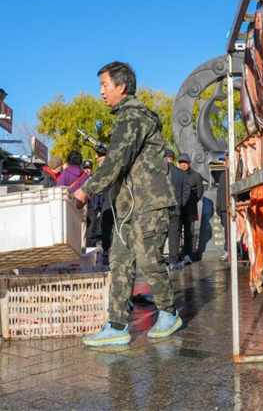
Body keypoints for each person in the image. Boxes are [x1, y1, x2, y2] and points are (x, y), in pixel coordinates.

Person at [73, 61, 182, 346]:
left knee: (148, 258)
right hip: (128, 208)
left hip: (149, 203)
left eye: (104, 85)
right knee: (119, 263)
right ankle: (117, 325)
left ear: (121, 86)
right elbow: (122, 159)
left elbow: (117, 161)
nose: (100, 92)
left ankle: (169, 313)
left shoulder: (133, 116)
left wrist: (86, 190)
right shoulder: (125, 117)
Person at [164, 150, 191, 271]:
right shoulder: (181, 174)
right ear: (173, 159)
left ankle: (157, 259)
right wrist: (180, 204)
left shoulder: (159, 172)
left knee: (159, 234)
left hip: (160, 209)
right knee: (174, 235)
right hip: (176, 209)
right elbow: (187, 192)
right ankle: (173, 261)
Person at [177, 153, 204, 265]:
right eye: (181, 163)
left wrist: (192, 200)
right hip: (178, 209)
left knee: (189, 233)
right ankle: (177, 254)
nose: (183, 165)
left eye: (185, 163)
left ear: (189, 163)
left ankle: (188, 255)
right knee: (176, 232)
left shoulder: (196, 176)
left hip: (190, 209)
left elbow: (200, 191)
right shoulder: (176, 174)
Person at [216, 156, 229, 263]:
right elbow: (219, 192)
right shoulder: (222, 175)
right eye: (224, 161)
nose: (224, 163)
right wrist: (218, 207)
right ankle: (228, 250)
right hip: (225, 208)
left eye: (226, 160)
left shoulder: (238, 173)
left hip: (236, 206)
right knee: (227, 231)